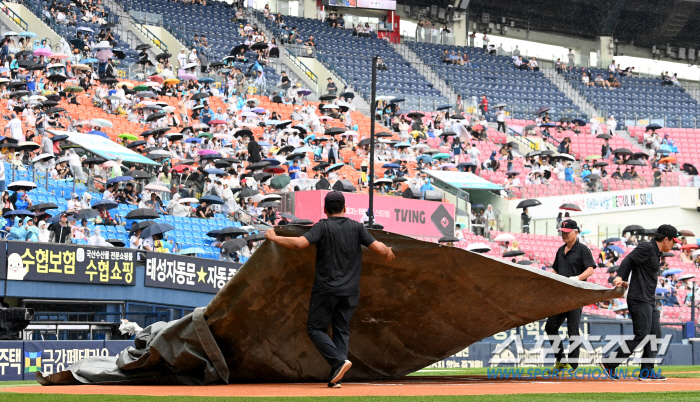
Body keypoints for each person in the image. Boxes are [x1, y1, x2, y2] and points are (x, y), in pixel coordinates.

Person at [264, 192, 394, 388]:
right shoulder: (357, 227)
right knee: (341, 330)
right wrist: (388, 250)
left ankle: (338, 362)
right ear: (345, 209)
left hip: (326, 290)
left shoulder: (322, 227)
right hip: (350, 293)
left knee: (315, 329)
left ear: (325, 210)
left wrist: (274, 238)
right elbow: (379, 248)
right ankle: (337, 378)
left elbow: (299, 243)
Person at [600, 224, 679, 381]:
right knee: (642, 335)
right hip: (638, 298)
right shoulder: (647, 248)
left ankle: (647, 371)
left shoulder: (656, 252)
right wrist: (620, 277)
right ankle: (610, 363)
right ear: (665, 239)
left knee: (655, 334)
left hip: (649, 299)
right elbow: (629, 260)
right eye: (673, 241)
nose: (674, 244)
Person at [544, 219, 595, 372]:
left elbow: (591, 269)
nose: (564, 236)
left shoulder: (583, 250)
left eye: (567, 233)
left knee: (573, 331)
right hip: (561, 297)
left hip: (576, 296)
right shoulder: (560, 250)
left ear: (575, 232)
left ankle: (572, 366)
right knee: (550, 327)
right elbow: (556, 270)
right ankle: (561, 360)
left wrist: (577, 278)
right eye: (562, 233)